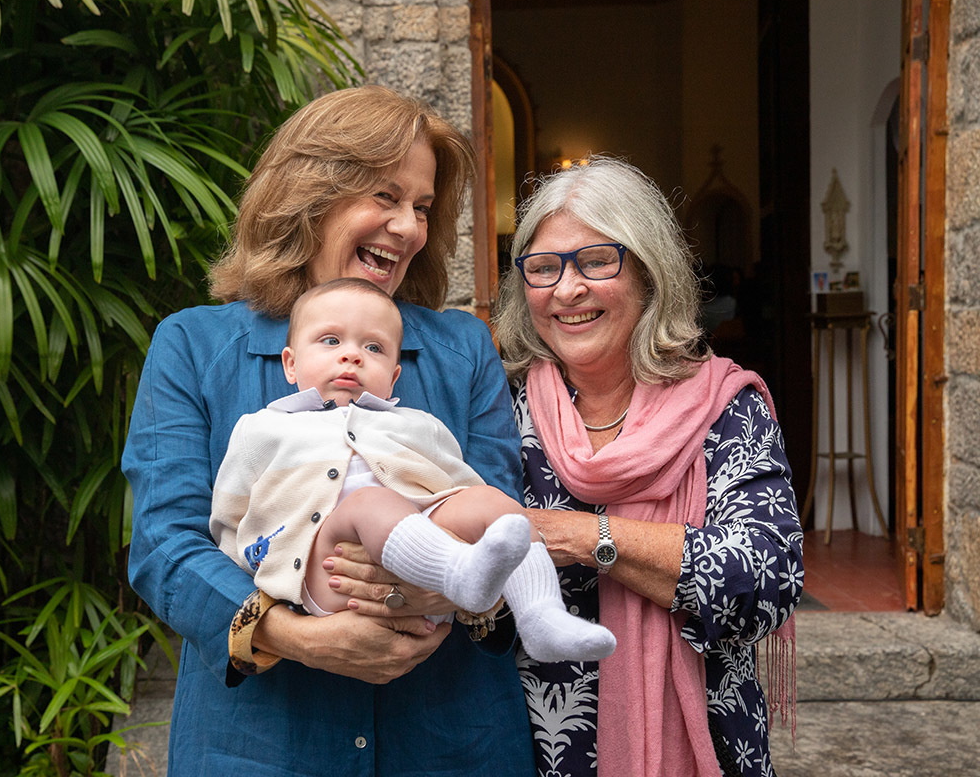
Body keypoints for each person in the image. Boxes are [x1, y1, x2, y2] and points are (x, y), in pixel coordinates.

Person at [123, 86, 534, 776]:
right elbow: (164, 546)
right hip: (258, 747)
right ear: (311, 195)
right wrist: (294, 635)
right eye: (385, 196)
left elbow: (502, 522)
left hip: (452, 743)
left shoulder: (463, 348)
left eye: (423, 208)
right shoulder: (193, 346)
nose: (407, 227)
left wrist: (451, 590)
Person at [493, 156, 803, 777]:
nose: (567, 289)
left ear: (648, 271)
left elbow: (764, 576)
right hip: (538, 744)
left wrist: (584, 537)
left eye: (597, 260)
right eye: (544, 268)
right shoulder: (503, 408)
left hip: (706, 738)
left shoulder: (724, 406)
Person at [210, 277, 617, 663]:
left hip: (426, 574)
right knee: (370, 503)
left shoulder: (418, 424)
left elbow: (458, 492)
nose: (351, 355)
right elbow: (230, 516)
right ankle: (459, 573)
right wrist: (260, 565)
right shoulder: (264, 426)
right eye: (330, 341)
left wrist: (483, 520)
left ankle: (541, 616)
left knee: (495, 504)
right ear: (291, 365)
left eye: (374, 348)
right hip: (325, 571)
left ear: (394, 374)